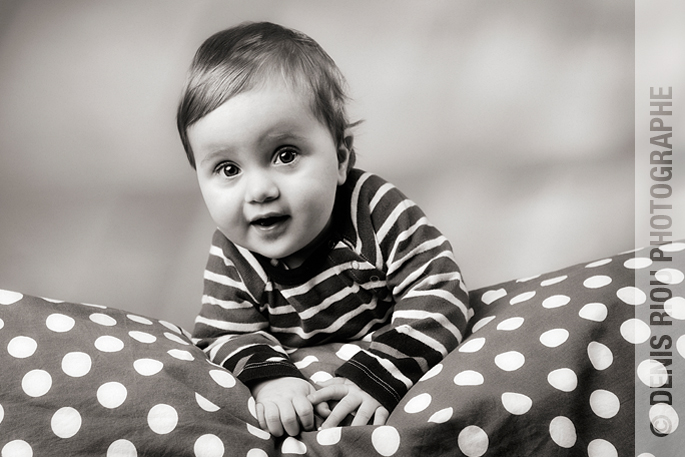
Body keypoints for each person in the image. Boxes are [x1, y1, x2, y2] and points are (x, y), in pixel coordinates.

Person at [176, 21, 470, 437]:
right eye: (228, 169)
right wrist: (271, 379)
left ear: (341, 157)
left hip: (384, 358)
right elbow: (224, 335)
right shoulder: (233, 255)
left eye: (285, 154)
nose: (259, 190)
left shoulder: (371, 208)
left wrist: (377, 373)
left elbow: (439, 289)